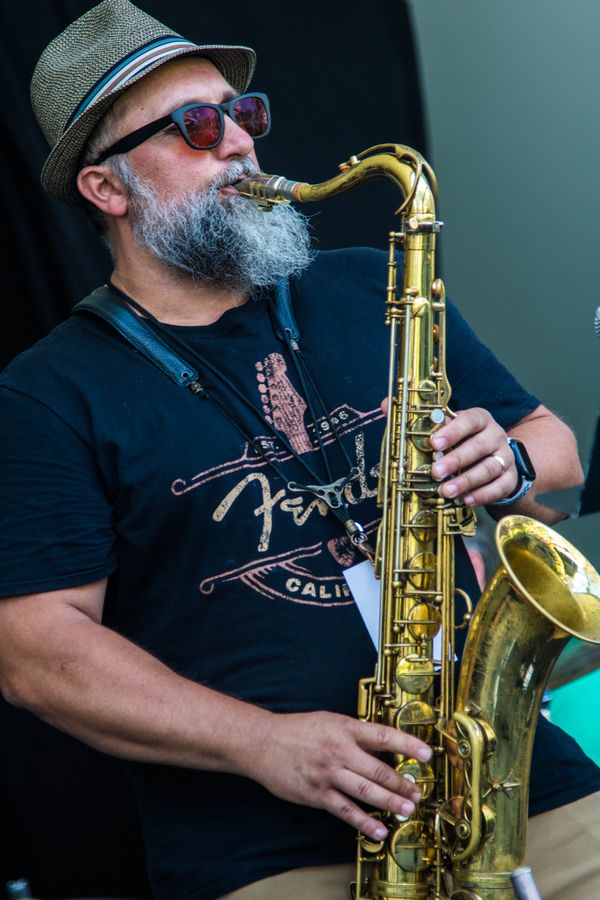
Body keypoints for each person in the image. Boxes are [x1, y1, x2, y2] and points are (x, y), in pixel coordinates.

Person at [0, 2, 598, 898]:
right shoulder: (49, 393)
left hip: (512, 777)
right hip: (271, 848)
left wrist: (507, 463)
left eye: (243, 114)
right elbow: (36, 651)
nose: (240, 142)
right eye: (197, 127)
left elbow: (555, 451)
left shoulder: (367, 284)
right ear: (106, 189)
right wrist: (264, 742)